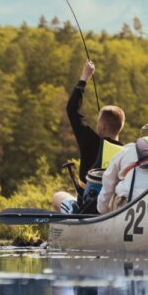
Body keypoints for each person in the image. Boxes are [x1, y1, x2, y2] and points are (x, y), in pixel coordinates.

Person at [53, 60, 125, 214]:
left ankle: (73, 212)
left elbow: (72, 110)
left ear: (102, 126)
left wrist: (84, 77)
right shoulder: (127, 153)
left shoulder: (90, 141)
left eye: (98, 121)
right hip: (113, 210)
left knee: (58, 196)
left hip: (87, 209)